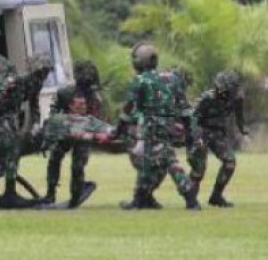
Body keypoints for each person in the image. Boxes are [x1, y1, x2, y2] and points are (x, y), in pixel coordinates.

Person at [115, 42, 200, 210]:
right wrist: (189, 129)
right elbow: (184, 107)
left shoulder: (140, 81)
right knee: (150, 162)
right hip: (169, 126)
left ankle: (189, 195)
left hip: (151, 127)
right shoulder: (172, 78)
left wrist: (120, 128)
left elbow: (129, 107)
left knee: (167, 161)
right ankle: (141, 199)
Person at [0, 55, 52, 206]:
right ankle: (9, 193)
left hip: (10, 117)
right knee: (12, 150)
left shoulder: (36, 84)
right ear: (35, 70)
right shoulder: (18, 80)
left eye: (47, 72)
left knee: (11, 156)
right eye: (42, 71)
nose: (44, 75)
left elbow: (34, 105)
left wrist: (36, 124)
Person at [44, 60, 103, 206]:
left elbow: (94, 120)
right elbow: (54, 113)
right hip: (65, 132)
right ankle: (50, 193)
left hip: (83, 134)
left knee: (77, 166)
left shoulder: (94, 98)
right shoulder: (65, 93)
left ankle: (75, 196)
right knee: (54, 159)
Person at [188, 69, 248, 208]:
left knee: (230, 163)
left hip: (217, 134)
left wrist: (242, 128)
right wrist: (196, 138)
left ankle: (216, 196)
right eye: (222, 90)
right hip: (201, 132)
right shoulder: (207, 98)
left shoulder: (237, 98)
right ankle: (191, 200)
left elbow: (239, 114)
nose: (224, 94)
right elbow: (193, 118)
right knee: (199, 169)